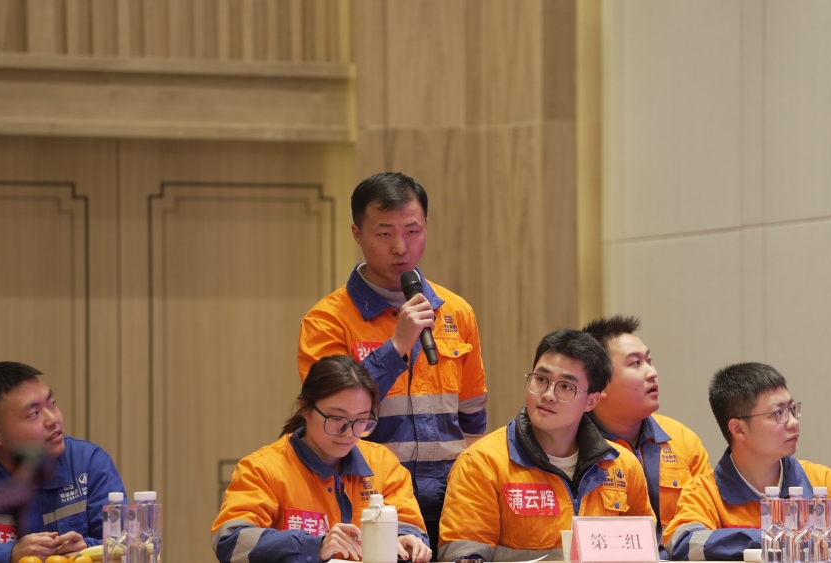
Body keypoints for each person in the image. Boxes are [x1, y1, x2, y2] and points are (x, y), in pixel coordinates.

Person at [297, 172, 487, 549]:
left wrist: (466, 488)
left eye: (412, 231)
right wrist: (396, 345)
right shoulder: (327, 319)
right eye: (384, 234)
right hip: (370, 503)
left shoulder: (456, 312)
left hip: (450, 503)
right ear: (357, 234)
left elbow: (472, 415)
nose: (401, 247)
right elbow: (331, 412)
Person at [438, 329, 656, 562]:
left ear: (591, 401)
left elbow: (643, 553)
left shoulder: (623, 465)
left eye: (566, 387)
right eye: (541, 379)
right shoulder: (482, 464)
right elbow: (463, 556)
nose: (549, 395)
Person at [664, 362, 831, 560]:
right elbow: (682, 543)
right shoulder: (705, 492)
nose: (793, 422)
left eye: (792, 409)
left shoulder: (821, 483)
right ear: (738, 429)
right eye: (778, 413)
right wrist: (773, 539)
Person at [212, 355, 431, 563]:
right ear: (305, 408)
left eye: (361, 420)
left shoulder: (383, 464)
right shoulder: (262, 469)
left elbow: (409, 525)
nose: (349, 433)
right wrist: (314, 546)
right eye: (336, 418)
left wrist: (406, 540)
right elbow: (230, 541)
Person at [0, 362, 126, 563]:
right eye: (34, 414)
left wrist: (86, 547)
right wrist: (9, 553)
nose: (53, 420)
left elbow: (125, 543)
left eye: (52, 403)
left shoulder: (89, 463)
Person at [581, 316, 710, 537]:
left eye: (649, 360)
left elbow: (708, 520)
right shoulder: (572, 448)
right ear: (598, 384)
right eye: (635, 363)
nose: (652, 372)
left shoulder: (683, 441)